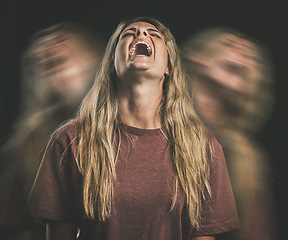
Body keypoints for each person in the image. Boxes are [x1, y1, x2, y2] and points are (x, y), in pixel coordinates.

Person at [28, 17, 239, 240]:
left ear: (168, 67)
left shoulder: (203, 146)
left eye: (154, 34)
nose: (142, 34)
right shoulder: (71, 139)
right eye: (129, 33)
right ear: (111, 64)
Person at [0, 22, 104, 240]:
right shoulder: (24, 147)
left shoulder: (136, 133)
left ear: (95, 64)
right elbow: (13, 228)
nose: (48, 44)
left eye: (61, 41)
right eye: (40, 61)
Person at [181, 27, 277, 240]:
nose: (243, 50)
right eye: (229, 44)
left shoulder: (245, 163)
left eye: (253, 58)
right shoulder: (147, 123)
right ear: (197, 57)